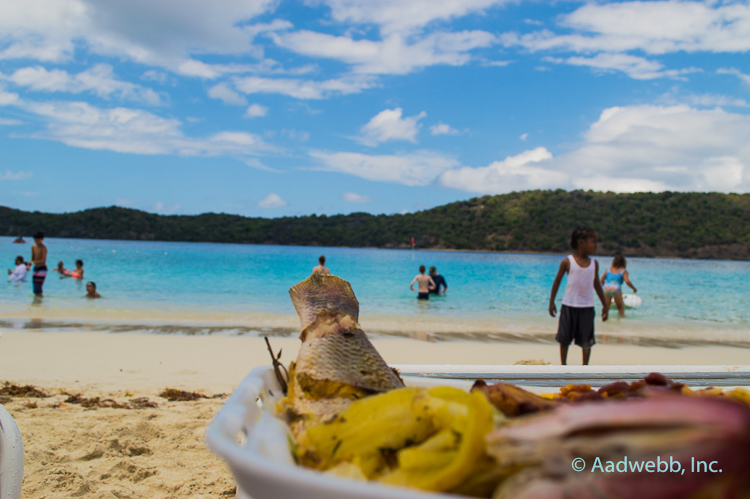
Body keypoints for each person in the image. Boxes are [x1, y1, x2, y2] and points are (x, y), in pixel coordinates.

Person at [548, 226, 609, 365]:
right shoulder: (567, 262)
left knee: (586, 341)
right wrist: (551, 302)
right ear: (581, 242)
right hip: (569, 306)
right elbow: (557, 281)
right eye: (593, 242)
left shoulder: (594, 263)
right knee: (564, 339)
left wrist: (605, 305)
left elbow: (597, 285)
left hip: (587, 308)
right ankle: (563, 367)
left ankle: (584, 369)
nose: (596, 246)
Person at [26, 231, 48, 296]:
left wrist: (34, 262)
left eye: (38, 240)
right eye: (35, 240)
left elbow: (43, 261)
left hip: (42, 269)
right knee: (35, 288)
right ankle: (38, 303)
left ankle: (39, 302)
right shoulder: (33, 247)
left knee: (38, 287)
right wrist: (29, 265)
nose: (36, 241)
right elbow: (33, 259)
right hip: (35, 268)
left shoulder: (43, 248)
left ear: (42, 239)